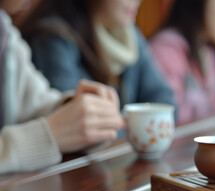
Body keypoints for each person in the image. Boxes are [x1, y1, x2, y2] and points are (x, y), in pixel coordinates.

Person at [0, 2, 124, 173]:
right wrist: (46, 136)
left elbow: (35, 102)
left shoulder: (5, 33)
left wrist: (76, 110)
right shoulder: (50, 33)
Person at [20, 0, 175, 110]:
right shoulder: (53, 39)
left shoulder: (128, 35)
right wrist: (139, 125)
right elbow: (76, 119)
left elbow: (165, 99)